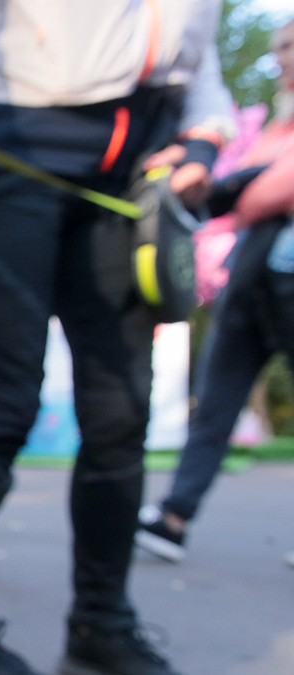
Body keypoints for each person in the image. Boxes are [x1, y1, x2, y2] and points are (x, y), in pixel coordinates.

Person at [0, 2, 236, 674]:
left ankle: (101, 625)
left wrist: (205, 138)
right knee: (2, 407)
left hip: (136, 172)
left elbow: (201, 61)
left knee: (121, 413)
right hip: (9, 148)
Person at [138, 18, 294, 567]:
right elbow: (245, 192)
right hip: (251, 280)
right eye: (281, 48)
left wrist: (251, 189)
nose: (283, 58)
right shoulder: (277, 126)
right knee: (215, 403)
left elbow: (262, 192)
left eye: (291, 46)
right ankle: (174, 517)